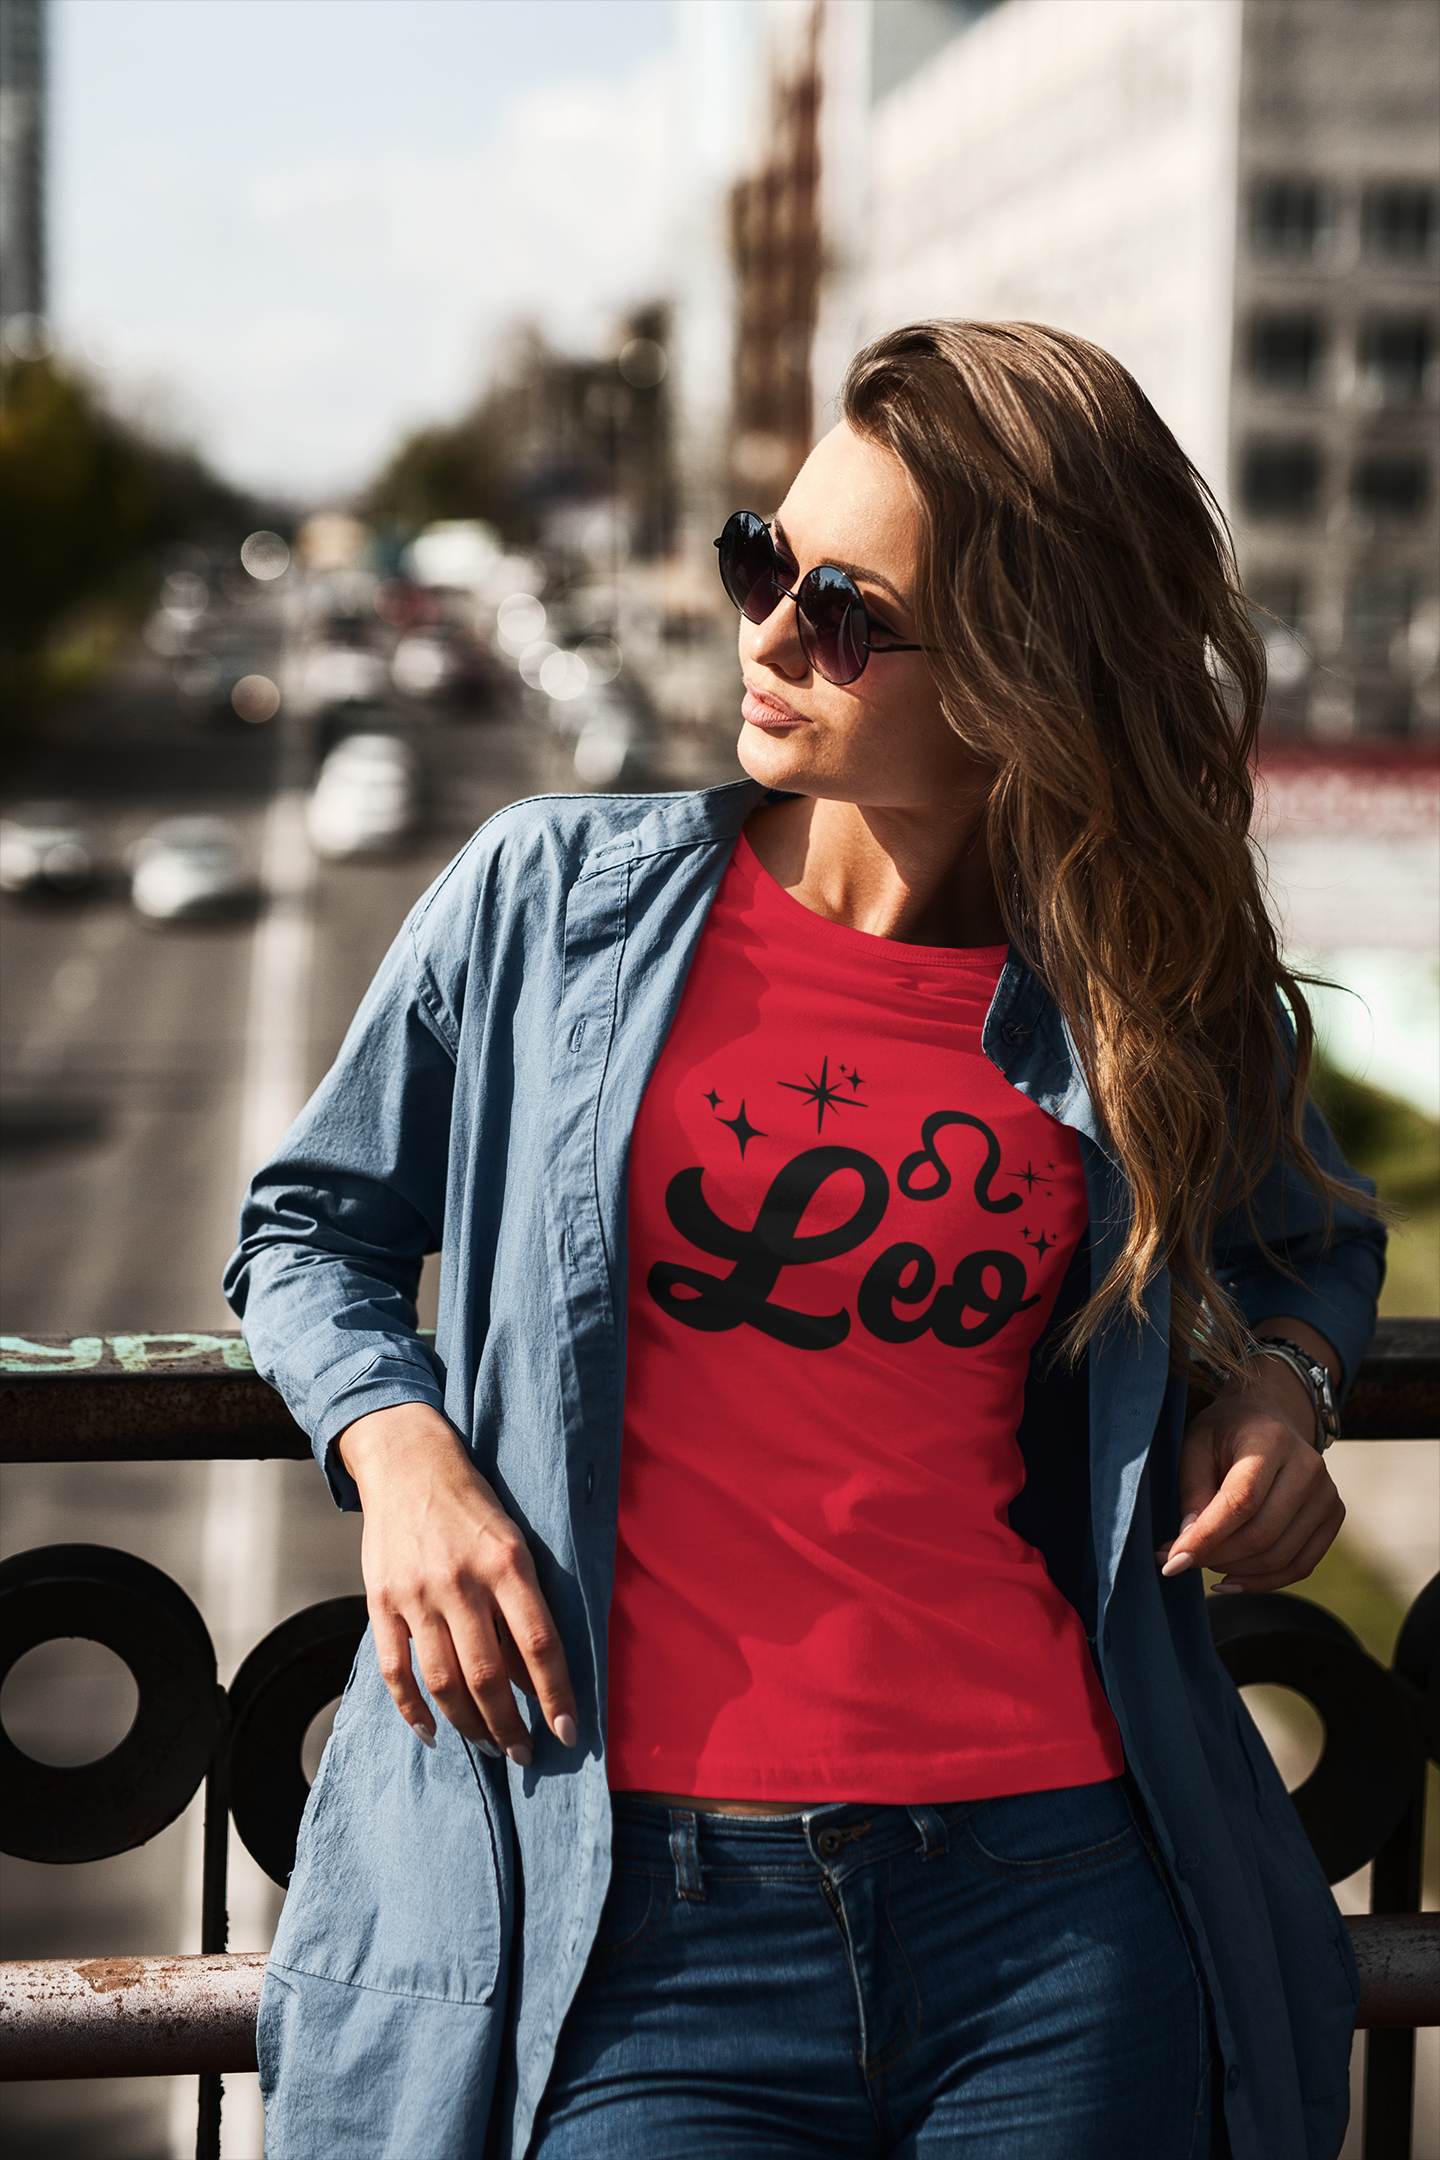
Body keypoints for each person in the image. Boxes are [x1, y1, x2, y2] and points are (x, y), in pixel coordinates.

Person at [225, 320, 1383, 2160]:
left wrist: (1291, 1393)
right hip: (637, 1919)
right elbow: (307, 1230)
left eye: (845, 611)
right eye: (765, 558)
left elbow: (1309, 1239)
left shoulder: (1153, 1002)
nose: (767, 633)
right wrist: (401, 1451)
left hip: (1057, 1897)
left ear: (1026, 673)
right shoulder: (551, 904)